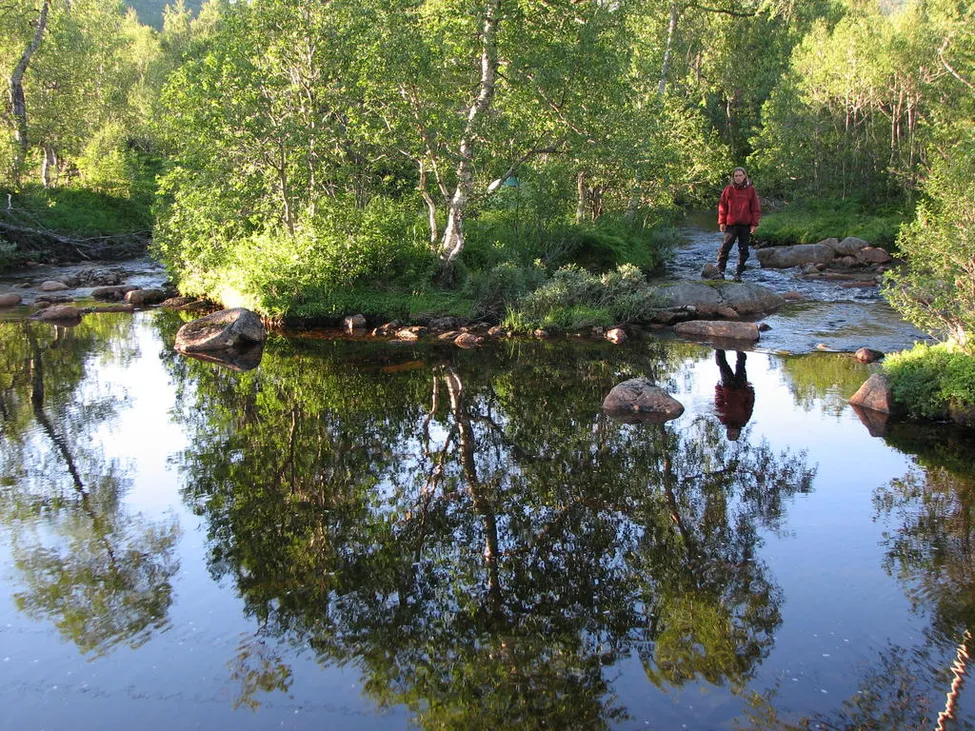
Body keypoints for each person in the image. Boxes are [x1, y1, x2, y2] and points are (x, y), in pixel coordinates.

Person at [717, 166, 761, 281]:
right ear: (733, 177)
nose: (738, 178)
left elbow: (755, 208)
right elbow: (722, 207)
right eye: (736, 176)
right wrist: (722, 222)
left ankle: (738, 273)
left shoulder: (750, 190)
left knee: (743, 250)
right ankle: (720, 271)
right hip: (731, 224)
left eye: (740, 175)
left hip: (745, 225)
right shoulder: (728, 190)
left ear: (744, 176)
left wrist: (754, 224)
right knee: (724, 248)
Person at [714, 350, 755, 441]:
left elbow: (718, 403)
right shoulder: (743, 420)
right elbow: (749, 406)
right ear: (738, 433)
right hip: (741, 388)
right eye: (733, 434)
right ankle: (739, 348)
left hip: (727, 387)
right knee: (740, 365)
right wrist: (751, 391)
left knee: (723, 366)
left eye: (729, 434)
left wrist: (718, 388)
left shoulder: (723, 420)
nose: (731, 432)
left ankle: (719, 347)